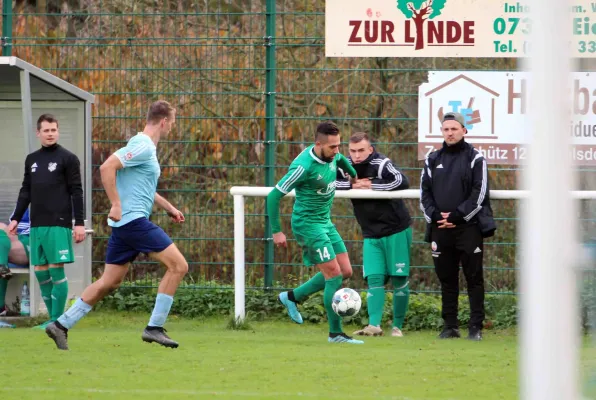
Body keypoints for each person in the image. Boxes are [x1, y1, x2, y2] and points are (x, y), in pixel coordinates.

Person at [45, 100, 188, 351]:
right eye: (172, 123)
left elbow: (143, 188)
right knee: (179, 266)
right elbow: (107, 166)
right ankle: (154, 327)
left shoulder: (144, 147)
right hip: (133, 222)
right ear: (164, 122)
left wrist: (170, 208)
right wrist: (116, 204)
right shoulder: (143, 145)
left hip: (125, 226)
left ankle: (61, 325)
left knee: (109, 283)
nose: (172, 128)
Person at [270, 121, 364, 344]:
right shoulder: (303, 167)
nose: (337, 150)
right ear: (318, 144)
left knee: (346, 270)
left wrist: (352, 173)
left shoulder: (333, 155)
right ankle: (335, 334)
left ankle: (291, 297)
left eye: (338, 145)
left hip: (325, 222)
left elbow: (341, 159)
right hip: (307, 225)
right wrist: (277, 231)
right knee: (334, 275)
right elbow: (273, 196)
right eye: (332, 147)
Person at [420, 112, 496, 341]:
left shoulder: (476, 159)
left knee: (474, 278)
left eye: (454, 129)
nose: (450, 133)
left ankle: (475, 327)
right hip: (440, 229)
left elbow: (479, 194)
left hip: (468, 228)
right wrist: (435, 217)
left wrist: (456, 216)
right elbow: (424, 193)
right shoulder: (432, 159)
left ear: (464, 131)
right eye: (446, 129)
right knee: (447, 278)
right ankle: (450, 326)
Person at [8, 114, 86, 329]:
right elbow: (26, 191)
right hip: (37, 224)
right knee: (41, 271)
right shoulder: (32, 159)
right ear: (38, 133)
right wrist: (15, 218)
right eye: (46, 130)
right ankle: (51, 320)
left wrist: (78, 222)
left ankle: (57, 321)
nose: (50, 134)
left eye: (54, 130)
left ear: (58, 132)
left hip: (58, 222)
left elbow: (76, 192)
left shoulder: (68, 158)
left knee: (55, 269)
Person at [335, 132, 412, 337]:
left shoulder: (381, 163)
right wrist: (352, 185)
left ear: (370, 149)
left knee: (399, 279)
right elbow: (326, 183)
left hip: (396, 229)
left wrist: (371, 185)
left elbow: (402, 181)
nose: (357, 155)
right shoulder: (343, 166)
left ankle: (397, 327)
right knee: (374, 279)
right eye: (352, 151)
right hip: (370, 232)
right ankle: (374, 325)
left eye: (361, 150)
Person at [0, 208, 31, 316]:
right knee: (1, 226)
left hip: (34, 240)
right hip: (18, 237)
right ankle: (2, 267)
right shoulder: (25, 200)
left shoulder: (56, 199)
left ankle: (1, 266)